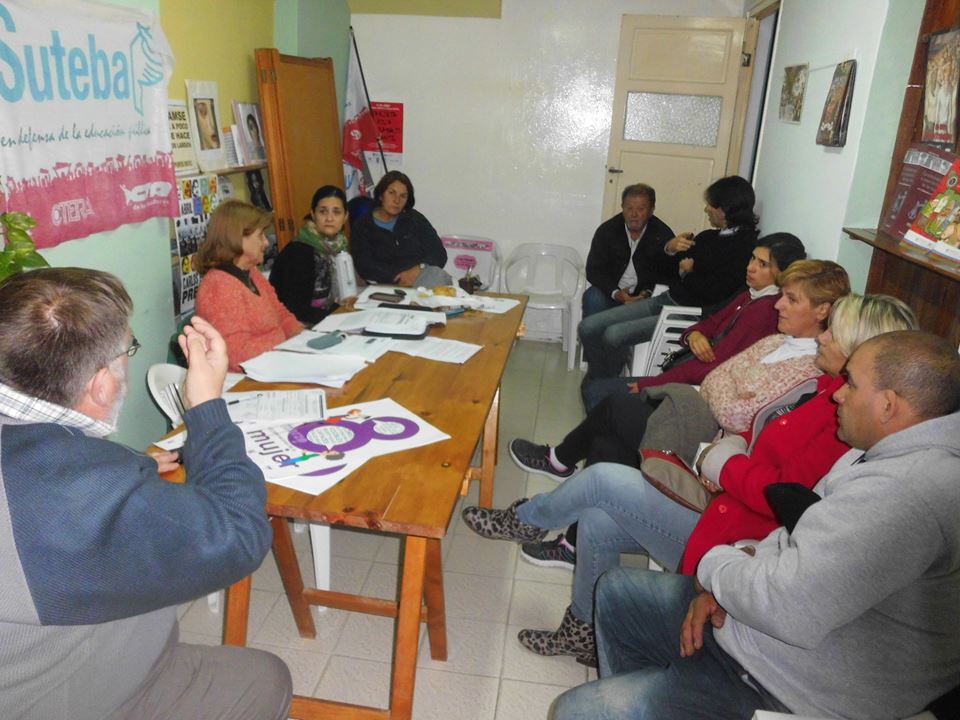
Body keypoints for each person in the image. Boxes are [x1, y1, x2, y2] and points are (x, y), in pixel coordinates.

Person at [461, 291, 912, 668]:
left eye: (833, 331)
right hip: (720, 503)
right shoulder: (824, 392)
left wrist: (725, 464)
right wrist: (728, 457)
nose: (824, 335)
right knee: (596, 519)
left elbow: (780, 496)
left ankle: (527, 520)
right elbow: (751, 434)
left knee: (602, 480)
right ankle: (582, 632)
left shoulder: (842, 420)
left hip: (735, 535)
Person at [552, 330, 960, 720]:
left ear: (888, 405)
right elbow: (797, 537)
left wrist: (717, 572)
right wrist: (731, 579)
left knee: (575, 712)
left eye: (851, 384)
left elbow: (788, 606)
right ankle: (663, 690)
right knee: (616, 590)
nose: (839, 392)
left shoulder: (905, 493)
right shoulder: (878, 456)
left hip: (785, 686)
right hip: (755, 629)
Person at [0, 267, 291, 720]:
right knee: (263, 678)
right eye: (127, 350)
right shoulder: (82, 493)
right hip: (52, 700)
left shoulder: (62, 472)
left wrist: (122, 467)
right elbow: (239, 533)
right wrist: (207, 407)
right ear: (101, 384)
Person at [510, 260, 849, 483]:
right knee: (604, 445)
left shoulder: (810, 367)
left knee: (613, 405)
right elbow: (719, 375)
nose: (778, 304)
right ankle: (574, 540)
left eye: (791, 299)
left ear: (822, 311)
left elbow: (733, 410)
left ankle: (559, 460)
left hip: (706, 440)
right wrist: (721, 382)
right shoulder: (776, 340)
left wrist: (719, 386)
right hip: (694, 410)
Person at [581, 232, 807, 410]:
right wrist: (694, 335)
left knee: (595, 391)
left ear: (783, 273)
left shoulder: (764, 311)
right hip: (689, 372)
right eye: (752, 258)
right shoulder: (750, 294)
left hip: (698, 388)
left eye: (763, 264)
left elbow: (712, 366)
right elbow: (708, 323)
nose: (750, 267)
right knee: (596, 384)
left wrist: (648, 384)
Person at [579, 175, 759, 380]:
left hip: (687, 314)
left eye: (711, 205)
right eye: (629, 208)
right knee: (588, 327)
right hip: (667, 298)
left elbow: (713, 292)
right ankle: (601, 376)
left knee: (613, 335)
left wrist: (686, 273)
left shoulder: (744, 248)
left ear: (724, 209)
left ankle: (604, 382)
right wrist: (670, 249)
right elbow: (665, 268)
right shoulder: (709, 237)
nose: (707, 209)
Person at [195, 200, 303, 371]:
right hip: (245, 378)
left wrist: (304, 339)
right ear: (238, 238)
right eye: (260, 235)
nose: (266, 243)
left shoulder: (251, 271)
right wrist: (284, 342)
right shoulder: (219, 286)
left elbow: (282, 316)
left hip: (272, 364)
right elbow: (236, 355)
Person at [582, 183, 675, 317]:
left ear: (651, 210)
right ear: (622, 207)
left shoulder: (662, 234)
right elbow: (594, 269)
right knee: (593, 297)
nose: (634, 214)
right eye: (629, 208)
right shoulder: (607, 230)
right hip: (612, 293)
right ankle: (591, 331)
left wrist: (646, 293)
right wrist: (616, 293)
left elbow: (667, 273)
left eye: (640, 209)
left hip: (644, 297)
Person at [350, 171, 451, 287]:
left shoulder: (415, 219)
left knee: (439, 276)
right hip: (384, 284)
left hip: (420, 278)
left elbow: (439, 253)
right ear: (381, 195)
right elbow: (364, 265)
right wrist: (400, 277)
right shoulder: (363, 226)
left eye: (403, 196)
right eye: (391, 193)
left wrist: (419, 269)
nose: (396, 200)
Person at [270, 185, 351, 324]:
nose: (329, 218)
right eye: (323, 212)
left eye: (336, 212)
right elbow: (296, 310)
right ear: (313, 214)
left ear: (345, 217)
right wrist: (338, 314)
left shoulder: (339, 245)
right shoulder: (299, 252)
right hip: (299, 324)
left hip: (326, 317)